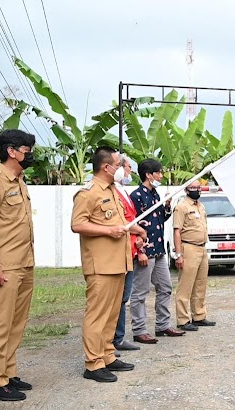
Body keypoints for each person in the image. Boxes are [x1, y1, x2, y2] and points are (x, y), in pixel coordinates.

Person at [71, 147, 145, 383]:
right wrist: (108, 230)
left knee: (113, 313)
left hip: (119, 263)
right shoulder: (88, 193)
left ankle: (107, 355)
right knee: (97, 315)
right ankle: (93, 364)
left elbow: (120, 221)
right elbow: (77, 224)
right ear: (106, 167)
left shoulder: (114, 191)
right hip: (101, 266)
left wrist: (137, 228)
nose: (122, 169)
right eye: (119, 164)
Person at [0, 129, 36, 401]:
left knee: (16, 322)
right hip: (4, 265)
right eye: (27, 150)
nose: (30, 155)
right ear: (11, 151)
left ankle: (7, 373)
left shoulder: (19, 181)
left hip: (23, 264)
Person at [129, 159, 185, 344]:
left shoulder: (155, 195)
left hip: (160, 250)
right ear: (148, 174)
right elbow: (133, 224)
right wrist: (141, 250)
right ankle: (139, 330)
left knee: (165, 287)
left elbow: (161, 218)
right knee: (141, 292)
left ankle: (162, 325)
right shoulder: (137, 196)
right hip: (145, 250)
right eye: (158, 173)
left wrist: (167, 205)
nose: (161, 176)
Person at [173, 180, 217, 331]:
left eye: (198, 188)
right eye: (193, 188)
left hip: (202, 248)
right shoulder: (181, 207)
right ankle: (183, 320)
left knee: (200, 284)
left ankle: (199, 316)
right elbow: (177, 231)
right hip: (188, 248)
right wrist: (178, 254)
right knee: (185, 285)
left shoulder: (201, 206)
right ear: (186, 190)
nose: (196, 190)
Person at [112, 155, 145, 355]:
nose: (130, 172)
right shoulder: (110, 192)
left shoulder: (122, 190)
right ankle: (109, 340)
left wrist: (139, 240)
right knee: (115, 299)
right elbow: (123, 222)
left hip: (129, 250)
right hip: (116, 254)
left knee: (123, 298)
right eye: (126, 167)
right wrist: (140, 231)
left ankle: (118, 338)